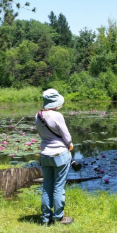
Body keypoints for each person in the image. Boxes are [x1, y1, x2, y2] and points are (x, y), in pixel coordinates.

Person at [35, 89, 74, 225]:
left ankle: (46, 217)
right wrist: (70, 144)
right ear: (55, 102)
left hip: (45, 154)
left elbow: (43, 135)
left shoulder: (38, 115)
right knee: (59, 186)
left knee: (47, 186)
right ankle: (59, 217)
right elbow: (67, 137)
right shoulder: (57, 115)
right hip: (60, 155)